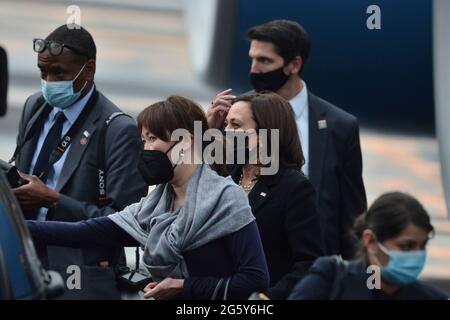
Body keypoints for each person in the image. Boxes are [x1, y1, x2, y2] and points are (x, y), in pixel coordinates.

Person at [27, 96, 270, 300]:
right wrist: (16, 224)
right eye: (143, 140)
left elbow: (254, 278)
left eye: (153, 139)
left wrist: (184, 287)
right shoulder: (153, 207)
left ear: (185, 141)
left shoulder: (227, 199)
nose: (145, 150)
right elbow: (83, 232)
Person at [208, 20, 367, 259]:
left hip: (315, 269)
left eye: (265, 61)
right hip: (250, 262)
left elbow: (352, 213)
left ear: (294, 64)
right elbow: (206, 185)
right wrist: (209, 133)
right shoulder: (233, 116)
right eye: (252, 58)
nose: (254, 69)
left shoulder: (339, 126)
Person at [11, 25, 147, 298]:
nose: (49, 81)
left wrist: (53, 200)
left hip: (79, 276)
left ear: (89, 70)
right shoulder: (34, 106)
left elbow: (126, 226)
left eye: (58, 73)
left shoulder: (118, 130)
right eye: (43, 72)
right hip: (24, 261)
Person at [225, 92, 324, 299]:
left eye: (235, 125)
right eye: (226, 124)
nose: (226, 132)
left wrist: (265, 298)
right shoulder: (223, 178)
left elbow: (309, 264)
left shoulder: (294, 187)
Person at [289, 192, 449, 300]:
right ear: (370, 241)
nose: (417, 255)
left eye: (423, 246)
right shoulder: (331, 279)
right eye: (406, 247)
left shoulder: (431, 297)